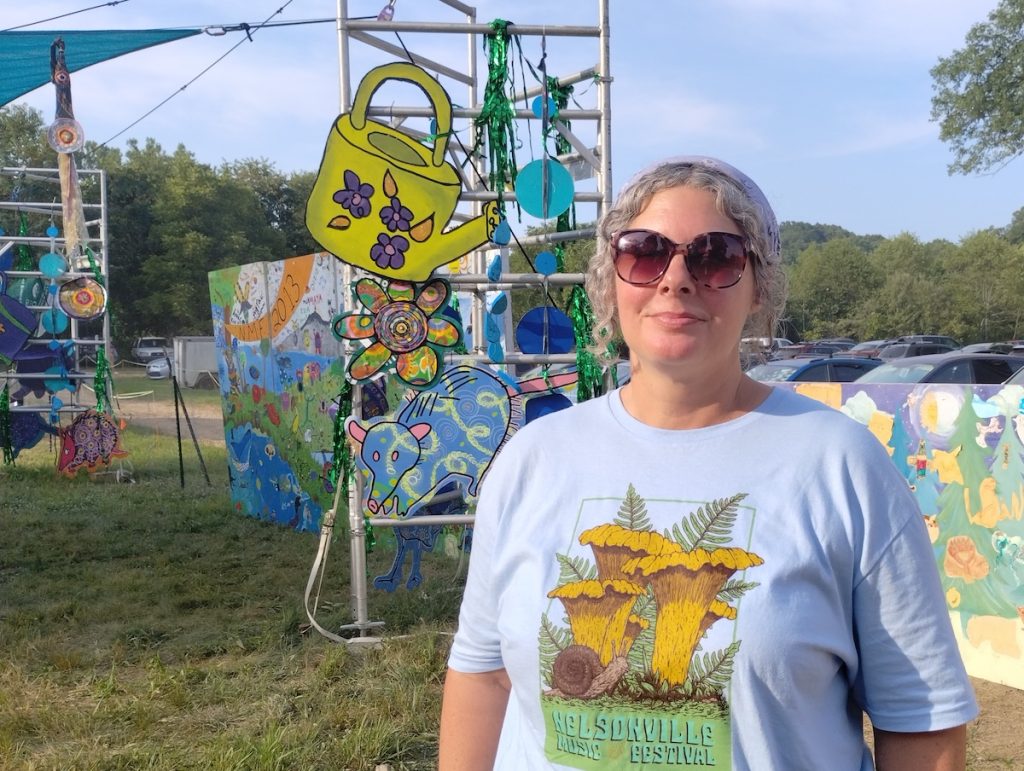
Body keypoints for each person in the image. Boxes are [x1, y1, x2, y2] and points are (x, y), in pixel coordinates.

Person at [439, 156, 977, 770]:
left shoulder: (840, 465)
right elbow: (486, 678)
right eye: (644, 251)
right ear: (611, 281)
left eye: (715, 256)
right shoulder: (533, 459)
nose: (676, 278)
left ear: (758, 288)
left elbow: (922, 724)